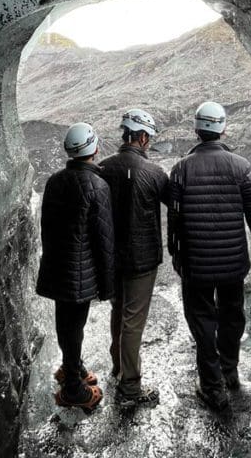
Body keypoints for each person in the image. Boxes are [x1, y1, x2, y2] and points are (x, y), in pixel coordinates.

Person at [168, 101, 251, 411]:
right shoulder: (241, 166)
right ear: (223, 129)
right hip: (232, 264)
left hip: (196, 264)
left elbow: (173, 221)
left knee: (202, 320)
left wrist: (176, 255)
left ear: (197, 130)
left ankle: (212, 387)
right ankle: (229, 371)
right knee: (232, 315)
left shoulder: (181, 169)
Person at [35, 122, 115, 412]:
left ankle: (73, 369)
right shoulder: (98, 186)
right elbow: (104, 241)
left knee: (65, 323)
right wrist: (108, 288)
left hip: (57, 267)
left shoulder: (55, 181)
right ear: (93, 148)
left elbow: (47, 227)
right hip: (81, 275)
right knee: (74, 327)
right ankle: (73, 389)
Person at [98, 108, 169, 408]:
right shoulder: (154, 173)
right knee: (133, 322)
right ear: (141, 137)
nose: (149, 143)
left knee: (118, 312)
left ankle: (118, 367)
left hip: (112, 259)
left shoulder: (103, 168)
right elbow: (176, 203)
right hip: (142, 261)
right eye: (148, 138)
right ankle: (130, 387)